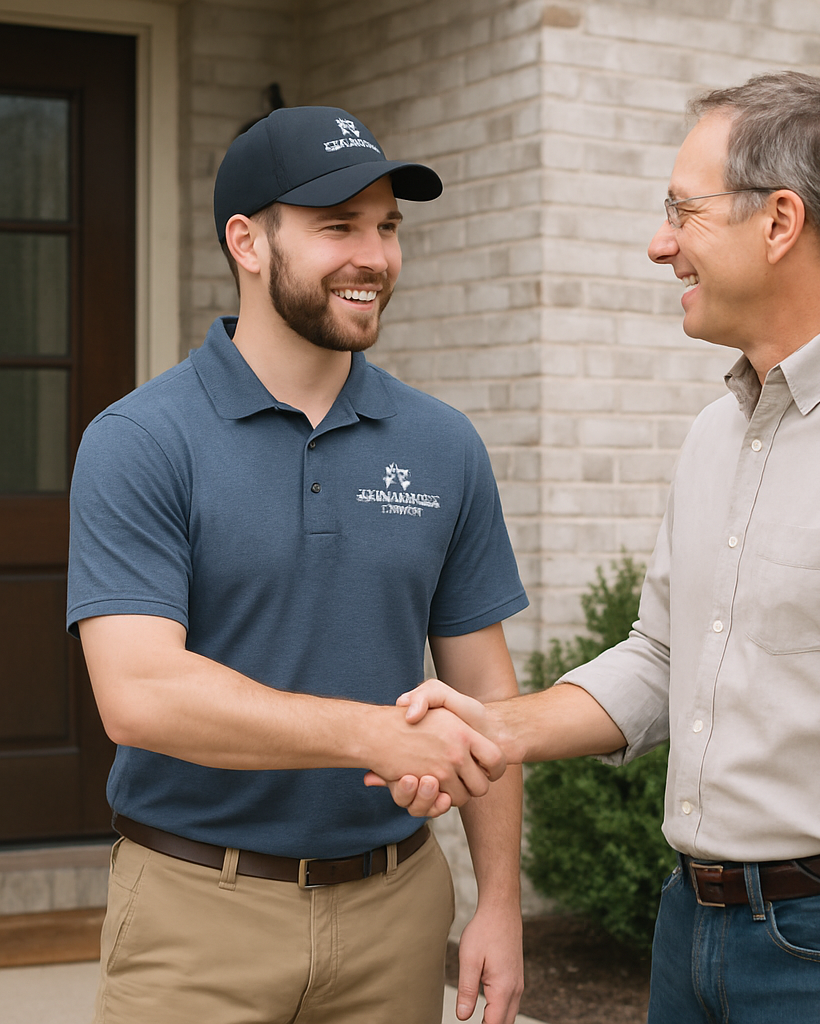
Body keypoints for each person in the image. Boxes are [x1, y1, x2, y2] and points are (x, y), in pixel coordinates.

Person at [372, 72, 820, 1024]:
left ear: (780, 221)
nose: (660, 242)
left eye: (684, 210)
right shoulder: (722, 430)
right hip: (691, 930)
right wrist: (497, 729)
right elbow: (664, 657)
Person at [67, 105, 528, 1024]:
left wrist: (500, 904)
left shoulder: (443, 445)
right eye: (338, 227)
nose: (375, 256)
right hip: (196, 917)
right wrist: (373, 736)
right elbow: (140, 694)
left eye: (387, 227)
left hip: (396, 912)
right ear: (248, 241)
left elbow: (487, 694)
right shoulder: (141, 440)